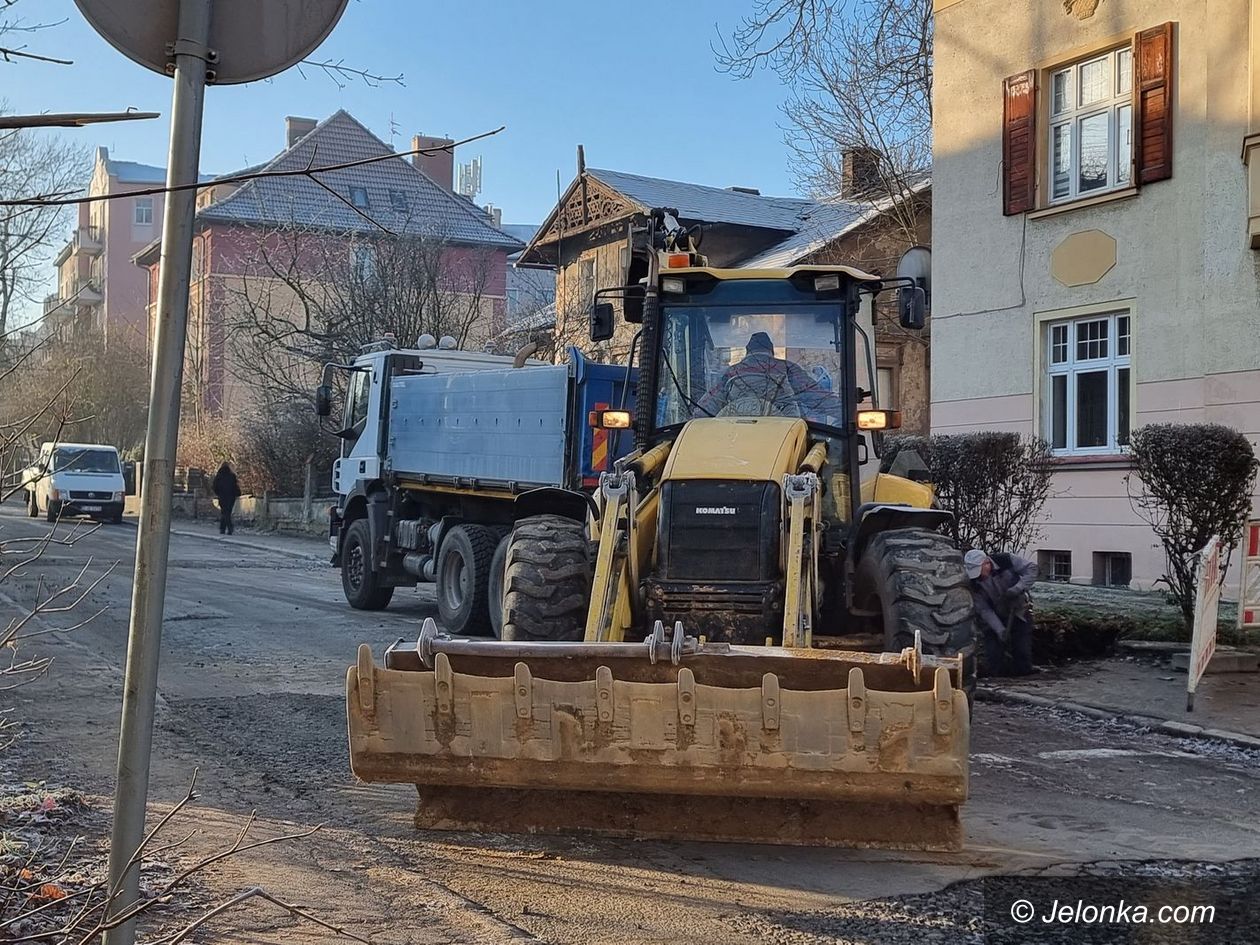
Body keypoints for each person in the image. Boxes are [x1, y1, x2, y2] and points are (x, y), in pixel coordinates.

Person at [695, 331, 820, 417]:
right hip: (782, 437)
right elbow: (818, 397)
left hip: (734, 438)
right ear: (772, 352)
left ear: (747, 352)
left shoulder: (731, 373)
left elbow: (705, 408)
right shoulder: (788, 369)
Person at [965, 548, 1039, 676]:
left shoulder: (1006, 560)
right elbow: (984, 609)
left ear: (987, 563)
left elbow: (1032, 569)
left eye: (979, 571)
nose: (978, 576)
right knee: (993, 652)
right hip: (994, 615)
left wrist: (1017, 589)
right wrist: (1000, 630)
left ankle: (1023, 672)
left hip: (1018, 610)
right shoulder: (974, 583)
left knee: (1021, 648)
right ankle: (996, 673)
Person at [212, 461, 241, 536]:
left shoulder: (218, 476)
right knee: (227, 512)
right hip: (231, 497)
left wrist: (218, 493)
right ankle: (226, 528)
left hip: (222, 496)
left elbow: (214, 487)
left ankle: (225, 528)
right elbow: (235, 486)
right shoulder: (232, 476)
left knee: (224, 512)